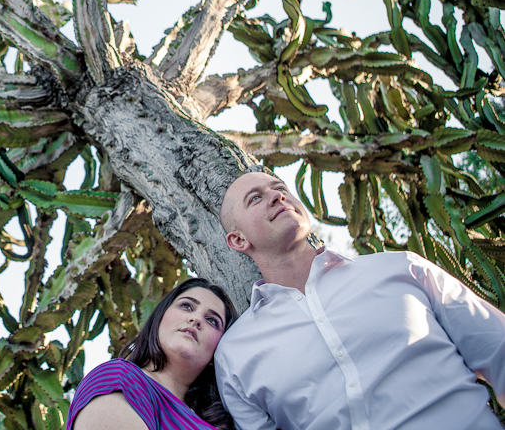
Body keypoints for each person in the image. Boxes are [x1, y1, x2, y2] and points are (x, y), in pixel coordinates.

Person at [214, 171, 505, 430]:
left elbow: (499, 353)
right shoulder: (235, 355)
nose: (278, 195)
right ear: (239, 240)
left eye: (281, 188)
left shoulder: (403, 268)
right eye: (255, 198)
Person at [67, 278, 238, 430]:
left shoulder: (226, 421)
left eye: (212, 321)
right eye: (187, 306)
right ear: (158, 319)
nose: (197, 318)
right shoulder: (119, 379)